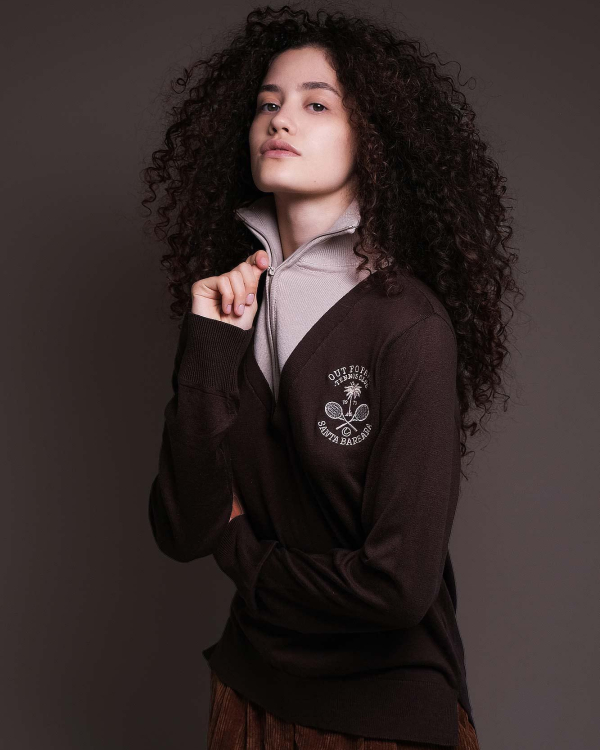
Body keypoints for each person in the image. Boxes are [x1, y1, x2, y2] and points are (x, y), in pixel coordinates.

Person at [142, 6, 523, 749]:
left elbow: (397, 586)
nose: (280, 119)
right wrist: (209, 346)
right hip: (246, 694)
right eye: (268, 103)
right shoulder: (231, 302)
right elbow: (182, 529)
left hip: (380, 716)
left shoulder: (408, 326)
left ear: (371, 139)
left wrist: (241, 549)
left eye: (317, 104)